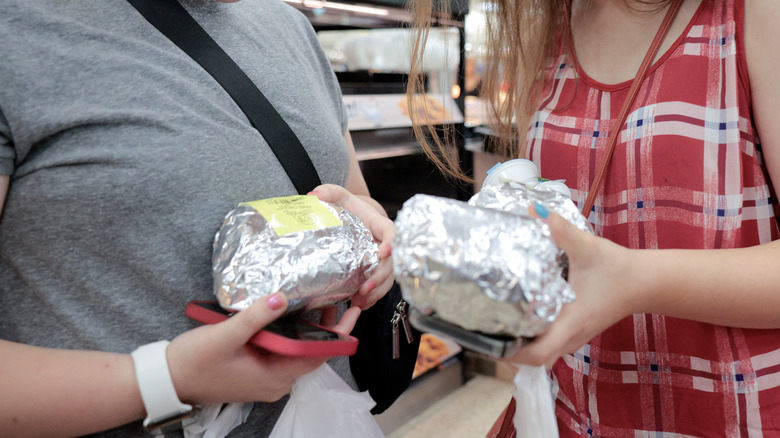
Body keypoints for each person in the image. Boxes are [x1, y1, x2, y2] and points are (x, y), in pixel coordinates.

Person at [0, 0, 396, 436]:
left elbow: (355, 194)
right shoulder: (19, 30)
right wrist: (167, 379)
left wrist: (372, 229)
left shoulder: (291, 29)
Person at [409, 0, 780, 435]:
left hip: (728, 414)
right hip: (568, 413)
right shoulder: (550, 24)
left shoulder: (752, 14)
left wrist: (637, 280)